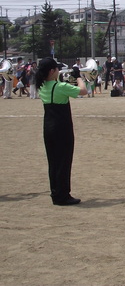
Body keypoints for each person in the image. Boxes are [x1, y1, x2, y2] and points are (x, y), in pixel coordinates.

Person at [35, 57, 88, 206]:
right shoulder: (59, 86)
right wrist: (78, 77)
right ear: (52, 71)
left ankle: (56, 193)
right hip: (62, 127)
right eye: (57, 68)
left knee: (53, 162)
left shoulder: (43, 85)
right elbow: (83, 91)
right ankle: (64, 195)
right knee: (64, 161)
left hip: (48, 126)